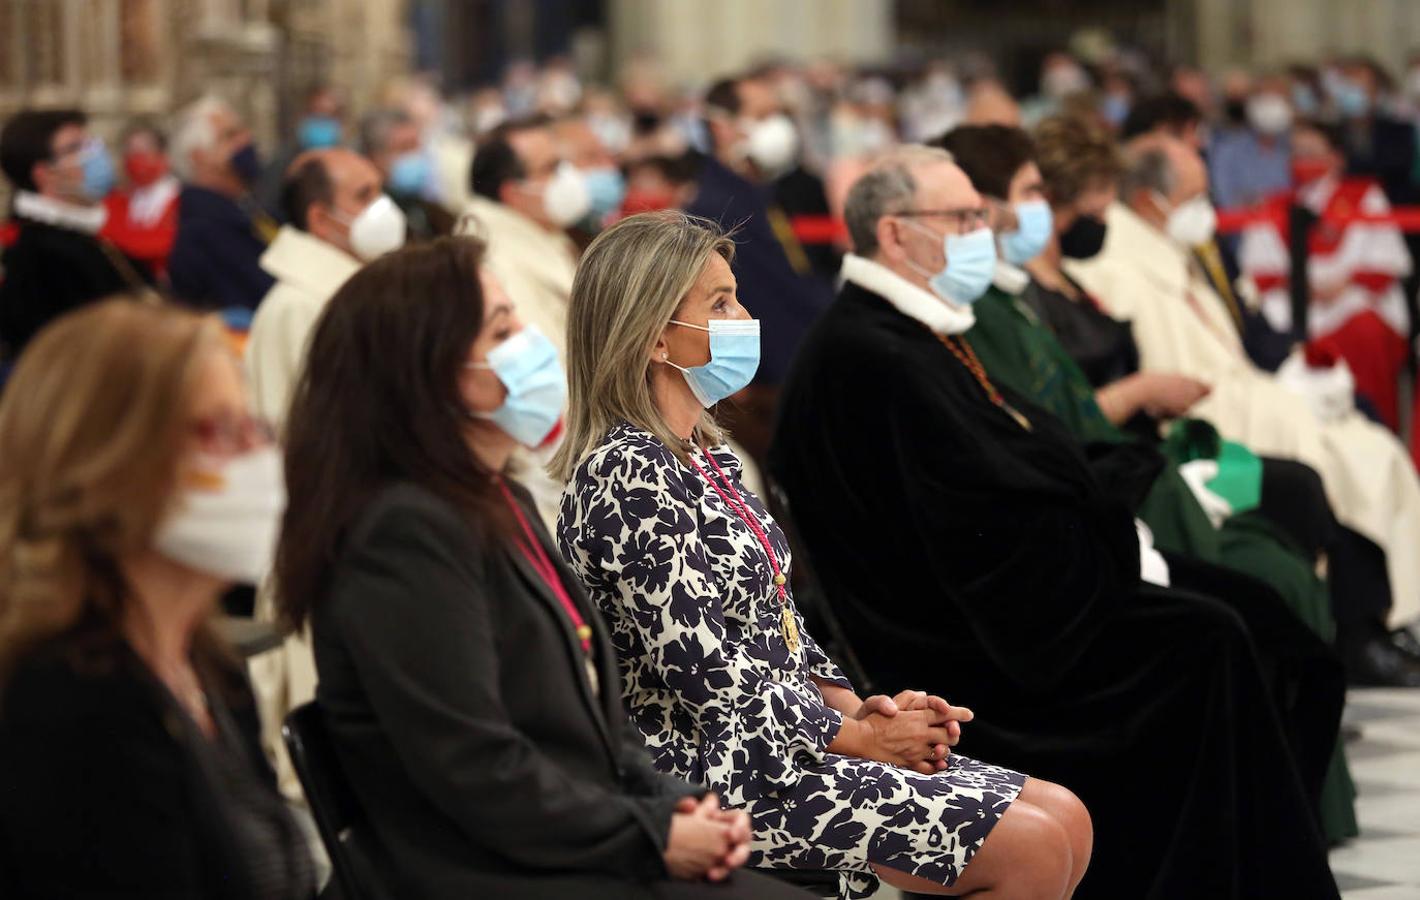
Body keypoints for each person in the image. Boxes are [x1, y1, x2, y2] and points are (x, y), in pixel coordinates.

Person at [769, 145, 1342, 899]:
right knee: (1215, 641)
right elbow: (978, 530)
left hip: (1026, 606)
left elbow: (1019, 463)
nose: (984, 227)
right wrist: (1109, 539)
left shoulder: (913, 330)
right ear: (895, 236)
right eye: (964, 215)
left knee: (1261, 630)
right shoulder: (873, 354)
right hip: (973, 653)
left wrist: (1104, 524)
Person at [556, 211, 1092, 900]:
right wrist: (858, 740)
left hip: (789, 744)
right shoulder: (625, 473)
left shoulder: (706, 454)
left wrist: (867, 714)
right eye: (719, 303)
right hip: (716, 772)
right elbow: (715, 680)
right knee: (1032, 847)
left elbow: (781, 627)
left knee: (1066, 816)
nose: (745, 315)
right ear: (656, 337)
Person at [273, 236, 805, 900]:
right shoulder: (405, 531)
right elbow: (475, 766)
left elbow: (589, 724)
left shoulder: (496, 495)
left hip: (567, 833)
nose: (531, 341)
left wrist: (675, 807)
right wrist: (652, 833)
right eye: (502, 328)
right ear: (428, 369)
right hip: (492, 868)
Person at [939, 123, 1358, 841]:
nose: (1071, 217)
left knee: (1294, 508)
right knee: (1277, 531)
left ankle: (1300, 794)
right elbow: (1058, 427)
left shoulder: (1036, 287)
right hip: (1125, 486)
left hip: (1152, 456)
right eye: (1037, 195)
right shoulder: (1004, 297)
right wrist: (1137, 397)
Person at [0, 299, 313, 898]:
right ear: (107, 463)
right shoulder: (64, 708)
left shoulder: (204, 661)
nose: (257, 456)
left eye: (255, 426)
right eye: (221, 430)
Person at [1066, 136, 1420, 632]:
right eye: (1193, 196)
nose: (1204, 210)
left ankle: (1382, 620)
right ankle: (1358, 627)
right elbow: (1177, 374)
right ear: (1149, 200)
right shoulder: (1119, 267)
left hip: (1245, 397)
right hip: (1206, 418)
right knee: (1336, 464)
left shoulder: (1172, 250)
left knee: (1372, 450)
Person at [1237, 118, 1412, 430]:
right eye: (1296, 153)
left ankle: (1374, 430)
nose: (1303, 162)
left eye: (1312, 153)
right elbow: (1255, 274)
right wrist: (1293, 284)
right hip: (1290, 303)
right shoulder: (1272, 204)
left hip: (1349, 299)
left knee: (1366, 330)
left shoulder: (1366, 196)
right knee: (1268, 334)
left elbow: (1387, 262)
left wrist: (1343, 283)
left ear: (1336, 157)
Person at [247, 148, 407, 430]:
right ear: (320, 219)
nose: (382, 207)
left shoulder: (363, 289)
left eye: (380, 192)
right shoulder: (298, 306)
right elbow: (305, 430)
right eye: (364, 196)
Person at [0, 109, 139, 364]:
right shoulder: (37, 252)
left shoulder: (82, 234)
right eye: (77, 148)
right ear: (45, 173)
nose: (95, 154)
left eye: (91, 142)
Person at [459, 115, 585, 358]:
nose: (567, 177)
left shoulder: (541, 231)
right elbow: (547, 366)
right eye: (551, 168)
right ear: (512, 193)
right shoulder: (495, 261)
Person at [167, 96, 278, 311]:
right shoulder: (204, 229)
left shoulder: (247, 208)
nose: (246, 140)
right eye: (230, 136)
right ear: (199, 157)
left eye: (243, 131)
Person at [100, 120, 181, 281]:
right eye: (130, 152)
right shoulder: (115, 202)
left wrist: (123, 244)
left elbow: (168, 244)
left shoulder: (183, 201)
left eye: (144, 151)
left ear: (163, 156)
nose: (136, 159)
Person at [359, 107, 454, 241]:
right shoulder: (370, 214)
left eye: (417, 146)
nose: (415, 155)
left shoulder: (427, 207)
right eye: (405, 148)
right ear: (374, 157)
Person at [1208, 75, 1295, 210]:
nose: (1271, 107)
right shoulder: (1227, 151)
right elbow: (1225, 199)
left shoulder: (1294, 149)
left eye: (1277, 99)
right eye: (1265, 99)